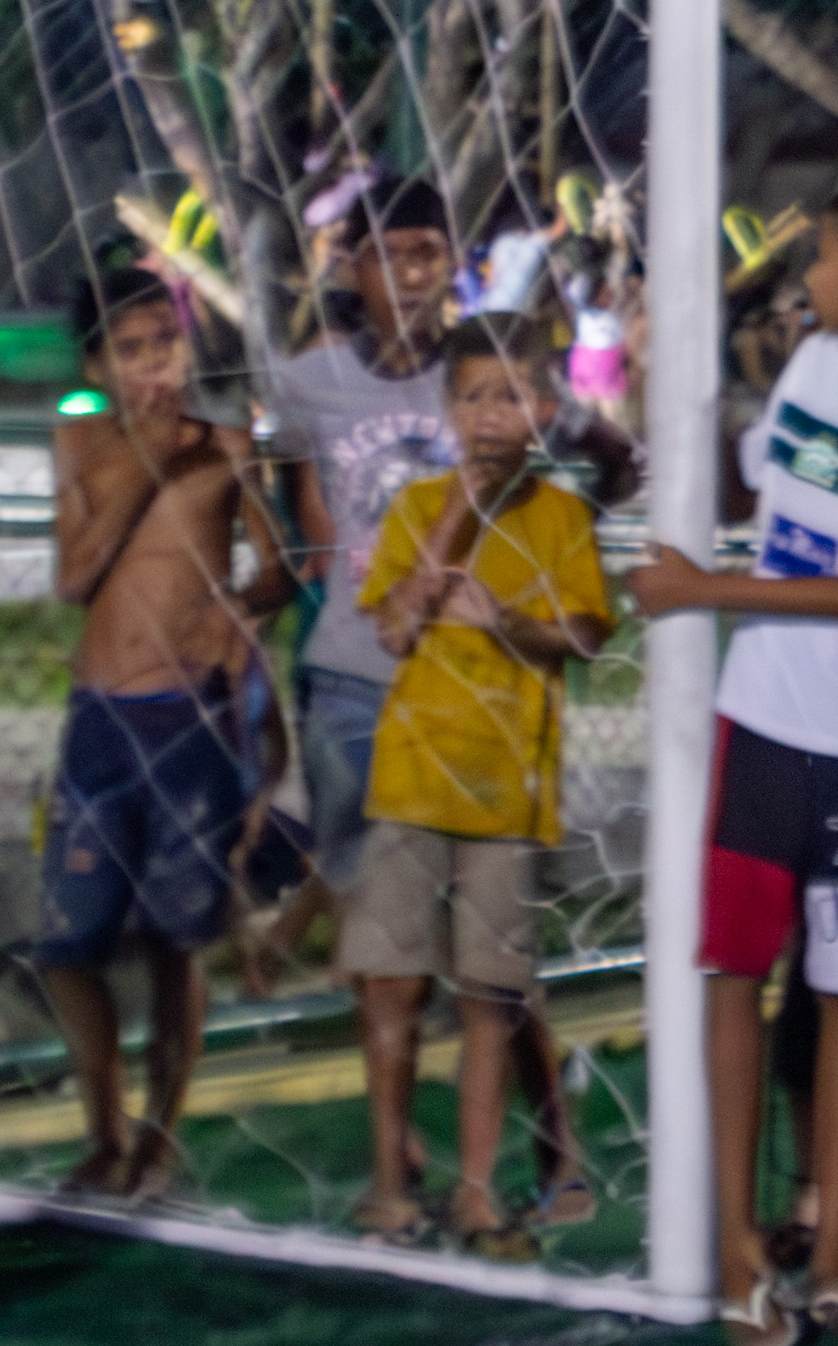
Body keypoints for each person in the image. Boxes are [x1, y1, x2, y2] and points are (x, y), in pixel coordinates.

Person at [626, 176, 838, 1346]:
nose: (805, 283)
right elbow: (756, 482)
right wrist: (647, 399)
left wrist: (697, 590)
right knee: (735, 975)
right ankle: (737, 1244)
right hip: (758, 727)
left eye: (820, 260)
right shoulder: (813, 372)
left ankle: (829, 1257)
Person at [340, 314, 616, 1250]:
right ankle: (387, 1183)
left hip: (505, 793)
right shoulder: (419, 507)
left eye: (510, 396)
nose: (491, 416)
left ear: (544, 408)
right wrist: (454, 516)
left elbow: (585, 633)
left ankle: (475, 1189)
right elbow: (390, 631)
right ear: (447, 408)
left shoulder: (562, 517)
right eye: (472, 396)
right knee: (388, 986)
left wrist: (506, 622)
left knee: (491, 997)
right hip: (409, 778)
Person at [41, 259, 298, 1199]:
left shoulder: (228, 444)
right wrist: (146, 466)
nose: (155, 366)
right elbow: (71, 581)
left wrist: (236, 614)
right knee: (67, 943)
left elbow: (280, 569)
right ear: (97, 364)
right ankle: (101, 1130)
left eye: (167, 343)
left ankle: (159, 1133)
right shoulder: (80, 441)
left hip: (190, 719)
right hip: (99, 717)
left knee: (172, 939)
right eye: (131, 350)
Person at [269, 177, 462, 975]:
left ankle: (485, 1056)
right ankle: (386, 1057)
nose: (412, 275)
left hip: (463, 674)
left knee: (460, 887)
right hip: (352, 669)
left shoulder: (485, 372)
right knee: (364, 882)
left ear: (455, 261)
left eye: (428, 254)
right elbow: (276, 477)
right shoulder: (309, 382)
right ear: (351, 269)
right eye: (389, 258)